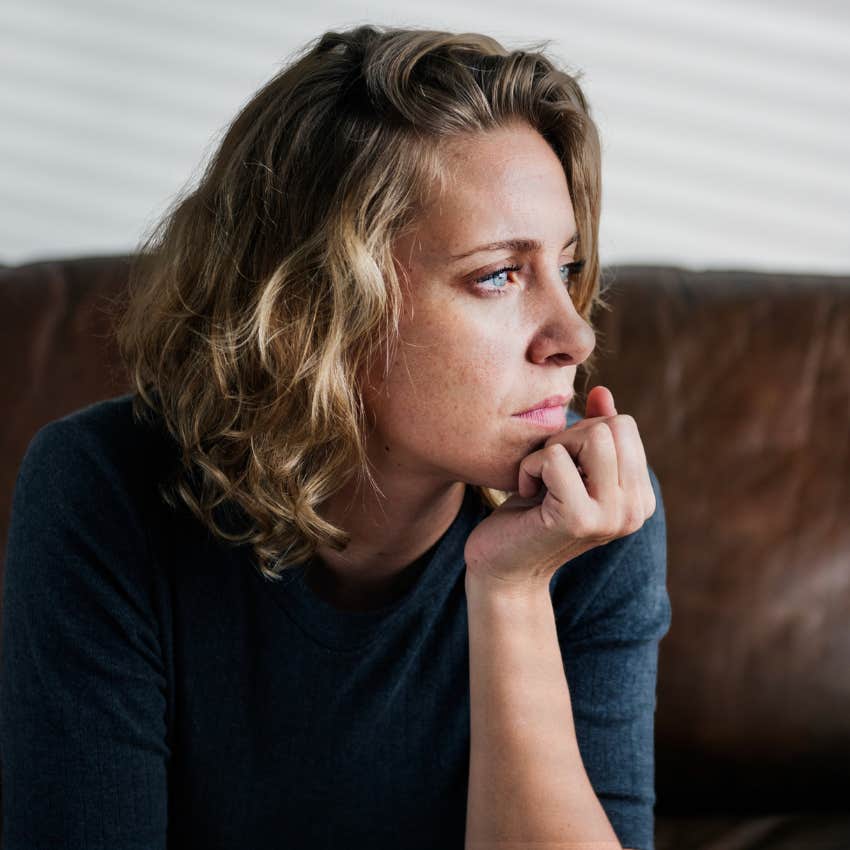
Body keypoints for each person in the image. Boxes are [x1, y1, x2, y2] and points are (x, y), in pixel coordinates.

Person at [0, 24, 671, 850]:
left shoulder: (591, 515)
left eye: (566, 268)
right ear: (319, 308)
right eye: (498, 274)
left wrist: (512, 592)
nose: (574, 335)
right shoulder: (103, 489)